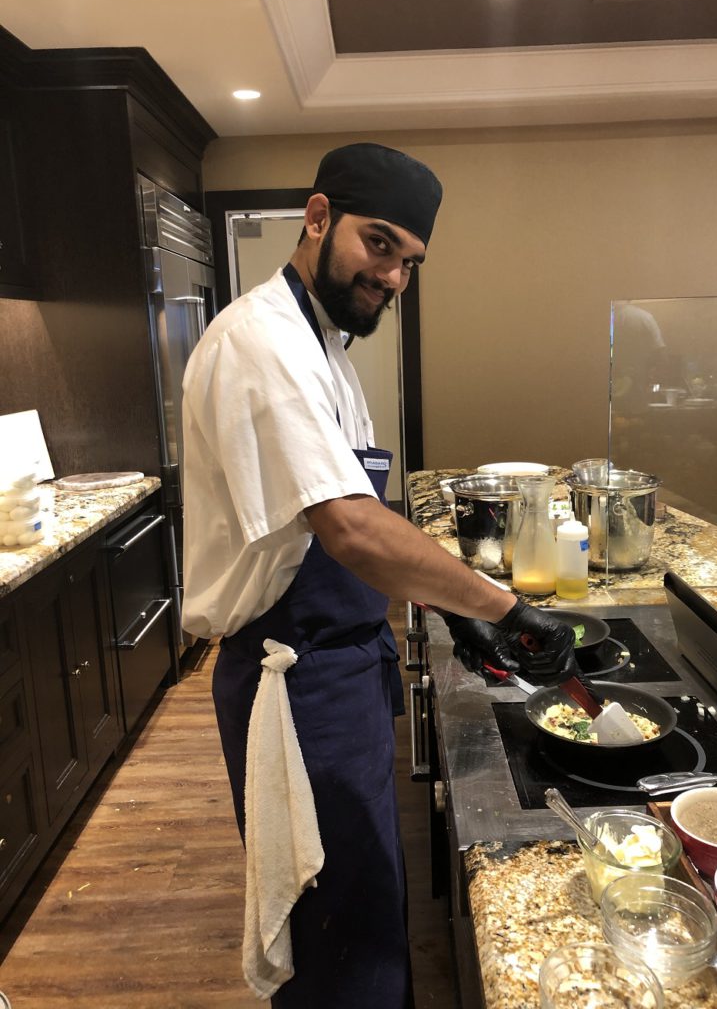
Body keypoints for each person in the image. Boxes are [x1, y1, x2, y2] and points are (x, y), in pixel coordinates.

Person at [181, 142, 578, 1009]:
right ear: (317, 217)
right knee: (337, 937)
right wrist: (505, 610)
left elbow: (352, 530)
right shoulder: (261, 341)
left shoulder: (328, 348)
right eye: (379, 243)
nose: (393, 276)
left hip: (342, 662)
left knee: (365, 900)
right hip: (296, 677)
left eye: (409, 261)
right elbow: (352, 529)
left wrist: (442, 608)